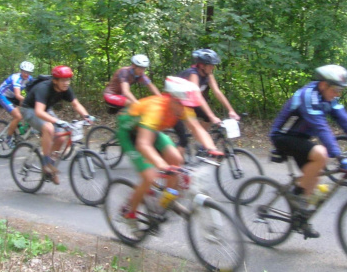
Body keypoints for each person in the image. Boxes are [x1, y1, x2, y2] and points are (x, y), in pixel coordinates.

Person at [269, 65, 347, 238]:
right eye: (336, 89)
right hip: (282, 136)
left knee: (316, 177)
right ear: (323, 85)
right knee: (322, 154)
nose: (338, 93)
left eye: (340, 90)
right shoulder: (308, 97)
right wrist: (338, 155)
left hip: (301, 138)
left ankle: (301, 217)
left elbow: (345, 121)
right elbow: (321, 127)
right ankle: (296, 194)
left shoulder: (328, 97)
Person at [117, 76, 223, 227]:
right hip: (129, 134)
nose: (186, 109)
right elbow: (143, 144)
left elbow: (196, 128)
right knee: (149, 175)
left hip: (150, 131)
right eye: (183, 104)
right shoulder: (156, 109)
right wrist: (161, 165)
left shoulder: (181, 107)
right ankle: (129, 212)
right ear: (173, 99)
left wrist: (211, 148)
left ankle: (166, 200)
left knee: (176, 160)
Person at [19, 65, 93, 185]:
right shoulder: (44, 88)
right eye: (63, 80)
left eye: (68, 79)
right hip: (29, 109)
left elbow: (76, 104)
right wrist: (57, 121)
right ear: (55, 80)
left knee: (61, 136)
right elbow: (39, 112)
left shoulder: (66, 89)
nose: (66, 83)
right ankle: (46, 162)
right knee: (49, 127)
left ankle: (50, 167)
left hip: (45, 109)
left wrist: (86, 116)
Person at [173, 49, 240, 154]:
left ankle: (201, 143)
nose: (213, 67)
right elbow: (197, 96)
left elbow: (217, 92)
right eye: (210, 65)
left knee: (207, 118)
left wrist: (231, 110)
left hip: (188, 102)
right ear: (202, 65)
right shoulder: (193, 74)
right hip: (176, 104)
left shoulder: (208, 74)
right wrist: (213, 116)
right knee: (184, 141)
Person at [0, 61, 35, 147]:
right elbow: (18, 95)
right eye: (25, 72)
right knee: (18, 116)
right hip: (3, 96)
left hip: (13, 96)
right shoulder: (16, 78)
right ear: (21, 71)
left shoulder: (30, 79)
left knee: (32, 108)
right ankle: (8, 139)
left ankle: (23, 128)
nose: (26, 74)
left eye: (29, 73)